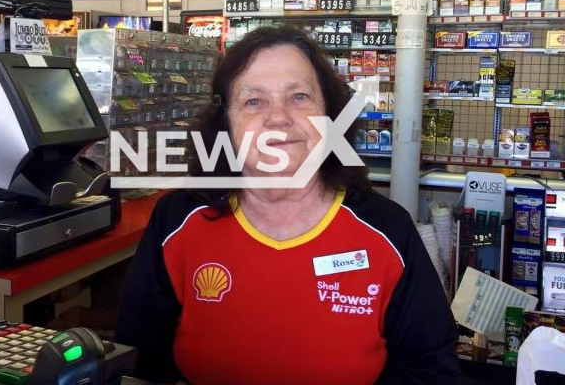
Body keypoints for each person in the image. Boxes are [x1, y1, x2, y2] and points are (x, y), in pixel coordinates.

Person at [116, 26, 460, 385]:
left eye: (299, 96)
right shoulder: (177, 221)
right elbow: (139, 360)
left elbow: (430, 367)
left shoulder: (387, 229)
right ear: (225, 125)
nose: (278, 117)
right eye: (254, 101)